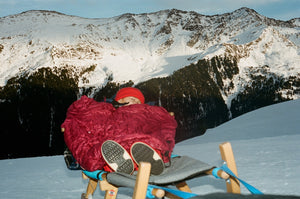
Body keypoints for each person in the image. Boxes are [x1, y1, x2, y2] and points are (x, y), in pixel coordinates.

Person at [62, 87, 177, 175]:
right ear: (120, 99)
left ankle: (151, 157)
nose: (136, 103)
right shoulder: (109, 111)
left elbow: (164, 128)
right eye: (132, 99)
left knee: (149, 143)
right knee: (109, 150)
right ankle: (120, 162)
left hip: (142, 143)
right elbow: (92, 120)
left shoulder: (147, 111)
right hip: (118, 143)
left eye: (139, 101)